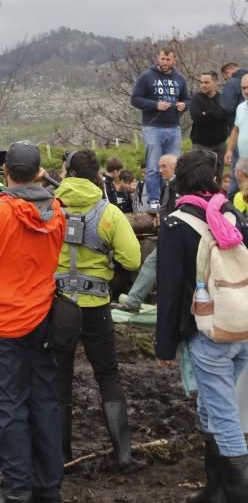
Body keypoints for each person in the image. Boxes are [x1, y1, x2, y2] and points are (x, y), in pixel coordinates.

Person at [0, 142, 67, 503]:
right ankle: (48, 488)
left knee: (8, 408)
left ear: (6, 173)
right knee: (43, 403)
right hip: (41, 319)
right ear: (39, 173)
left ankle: (17, 491)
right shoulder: (58, 212)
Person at [156, 150, 248, 501]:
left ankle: (237, 494)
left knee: (225, 418)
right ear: (213, 179)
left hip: (208, 333)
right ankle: (217, 490)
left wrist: (165, 345)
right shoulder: (231, 214)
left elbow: (169, 290)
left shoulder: (176, 224)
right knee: (212, 407)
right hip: (242, 326)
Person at [53, 150, 143, 471]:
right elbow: (132, 260)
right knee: (107, 374)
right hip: (97, 307)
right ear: (97, 177)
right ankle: (123, 455)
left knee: (59, 378)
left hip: (59, 305)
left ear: (67, 174)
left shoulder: (50, 210)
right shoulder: (109, 213)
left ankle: (61, 457)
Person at [114, 154, 178, 313]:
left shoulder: (179, 185)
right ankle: (133, 301)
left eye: (164, 166)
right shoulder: (169, 184)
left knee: (156, 264)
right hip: (168, 233)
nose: (160, 170)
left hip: (176, 234)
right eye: (159, 166)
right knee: (151, 263)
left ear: (175, 167)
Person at [130, 47, 189, 212]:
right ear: (158, 58)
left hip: (174, 127)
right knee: (154, 166)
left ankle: (173, 197)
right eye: (163, 59)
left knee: (175, 166)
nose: (165, 62)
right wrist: (155, 105)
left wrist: (184, 106)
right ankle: (154, 200)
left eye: (168, 59)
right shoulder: (146, 76)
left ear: (174, 60)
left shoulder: (180, 79)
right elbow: (135, 99)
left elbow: (188, 99)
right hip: (153, 127)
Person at [190, 71, 229, 184]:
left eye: (206, 82)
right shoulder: (196, 98)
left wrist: (207, 113)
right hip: (200, 144)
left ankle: (216, 200)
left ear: (215, 82)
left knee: (218, 176)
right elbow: (196, 117)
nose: (203, 85)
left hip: (220, 144)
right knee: (200, 176)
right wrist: (215, 114)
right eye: (201, 82)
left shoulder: (223, 99)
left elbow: (225, 115)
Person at [221, 62, 246, 199]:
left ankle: (232, 205)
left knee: (238, 176)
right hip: (242, 152)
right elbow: (236, 129)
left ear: (227, 72)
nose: (246, 91)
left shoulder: (231, 83)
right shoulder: (241, 107)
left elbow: (226, 106)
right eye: (244, 88)